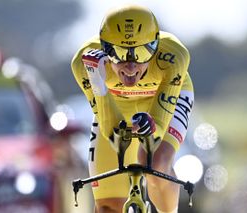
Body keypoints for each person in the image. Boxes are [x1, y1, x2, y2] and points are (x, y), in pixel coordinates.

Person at [71, 4, 194, 213]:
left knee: (154, 163)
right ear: (104, 48)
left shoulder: (174, 56)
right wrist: (98, 82)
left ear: (155, 46)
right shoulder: (85, 61)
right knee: (109, 207)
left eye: (142, 53)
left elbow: (158, 128)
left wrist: (151, 128)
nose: (131, 66)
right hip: (115, 104)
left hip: (160, 100)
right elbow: (110, 129)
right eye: (119, 53)